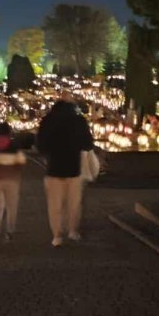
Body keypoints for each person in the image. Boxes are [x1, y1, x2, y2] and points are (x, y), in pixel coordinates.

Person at [37, 91, 94, 247]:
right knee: (74, 203)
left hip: (54, 168)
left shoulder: (47, 120)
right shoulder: (79, 121)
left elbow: (40, 144)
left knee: (55, 204)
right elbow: (88, 143)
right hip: (74, 167)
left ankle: (57, 235)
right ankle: (72, 231)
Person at [0, 123, 25, 241]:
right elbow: (20, 160)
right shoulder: (14, 145)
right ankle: (10, 230)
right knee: (11, 206)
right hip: (12, 179)